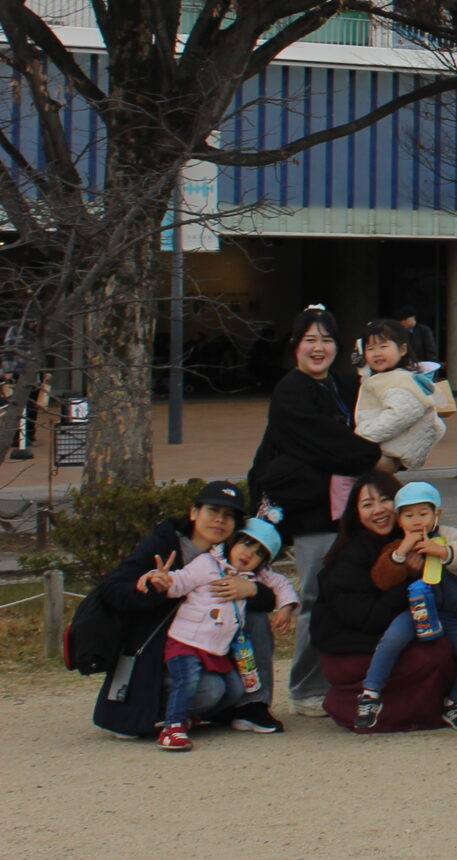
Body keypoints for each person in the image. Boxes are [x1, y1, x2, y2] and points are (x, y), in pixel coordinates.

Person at [247, 305, 384, 716]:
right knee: (315, 597)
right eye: (310, 340)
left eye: (326, 340)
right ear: (295, 346)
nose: (318, 348)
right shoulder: (290, 391)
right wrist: (373, 455)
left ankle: (348, 680)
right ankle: (306, 687)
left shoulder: (345, 384)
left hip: (352, 509)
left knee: (356, 593)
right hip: (312, 512)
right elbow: (326, 444)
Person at [91, 481, 290, 740]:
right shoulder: (165, 544)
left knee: (252, 625)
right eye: (212, 511)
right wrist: (154, 586)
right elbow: (112, 589)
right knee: (212, 689)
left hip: (206, 646)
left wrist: (251, 590)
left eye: (228, 515)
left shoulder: (229, 555)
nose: (219, 520)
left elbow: (270, 591)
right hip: (157, 651)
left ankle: (252, 706)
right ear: (194, 512)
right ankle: (161, 713)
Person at [308, 474, 457, 732]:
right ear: (356, 513)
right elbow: (369, 618)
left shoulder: (418, 540)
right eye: (367, 504)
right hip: (353, 648)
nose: (378, 510)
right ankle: (368, 708)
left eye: (385, 500)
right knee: (437, 653)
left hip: (393, 634)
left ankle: (454, 703)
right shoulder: (351, 556)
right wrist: (408, 579)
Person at [143, 518, 298, 751]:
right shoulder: (208, 562)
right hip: (187, 641)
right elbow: (182, 581)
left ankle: (195, 716)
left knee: (235, 688)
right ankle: (173, 726)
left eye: (258, 553)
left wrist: (286, 607)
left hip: (216, 648)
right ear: (233, 541)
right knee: (186, 681)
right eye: (246, 543)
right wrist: (163, 581)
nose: (249, 554)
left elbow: (282, 584)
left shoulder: (254, 575)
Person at [357, 480, 457, 732]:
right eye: (408, 515)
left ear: (436, 513)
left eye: (423, 514)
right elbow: (382, 579)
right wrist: (401, 554)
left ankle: (456, 702)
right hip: (416, 610)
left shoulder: (450, 535)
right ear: (399, 520)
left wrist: (444, 552)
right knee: (392, 639)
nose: (417, 521)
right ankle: (370, 693)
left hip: (450, 614)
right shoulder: (398, 544)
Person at [354, 318, 444, 472]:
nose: (377, 353)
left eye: (383, 346)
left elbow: (400, 414)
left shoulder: (398, 380)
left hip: (386, 453)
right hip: (385, 449)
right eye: (370, 348)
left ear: (402, 350)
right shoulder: (387, 378)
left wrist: (363, 435)